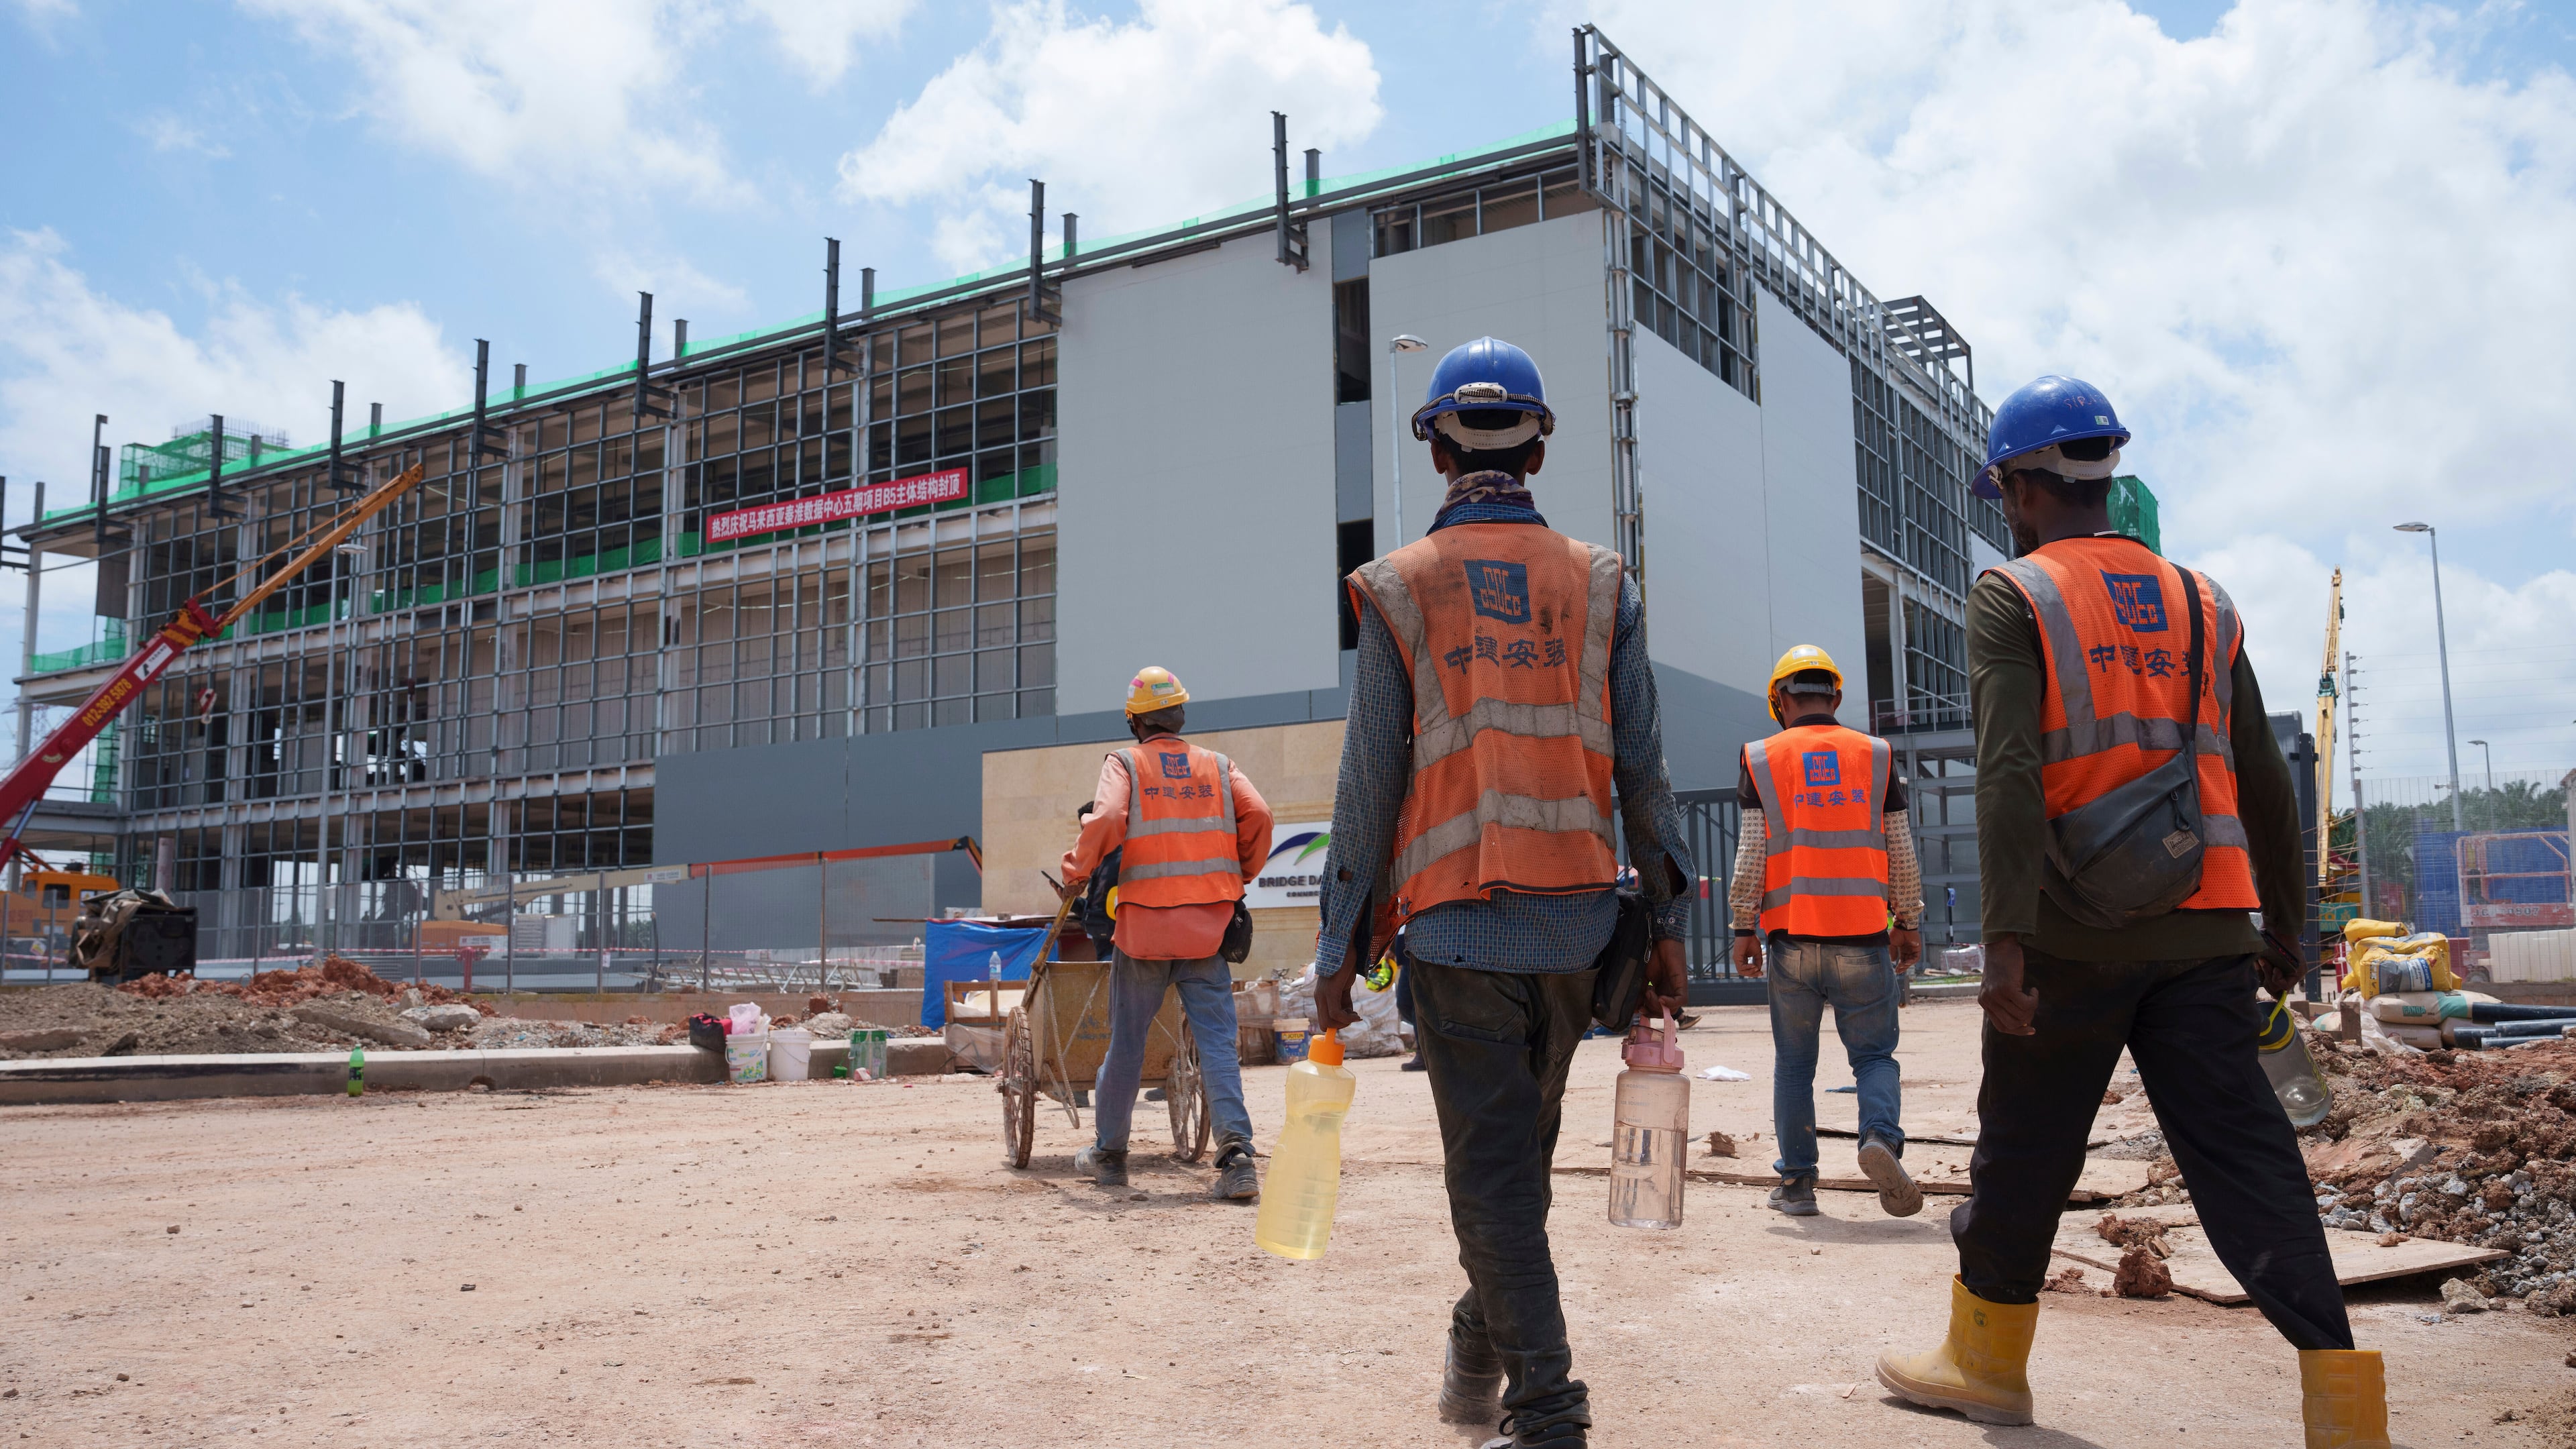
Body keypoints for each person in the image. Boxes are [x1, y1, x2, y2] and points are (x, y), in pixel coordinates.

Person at [1874, 376, 2389, 1446]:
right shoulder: (2209, 604)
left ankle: (1987, 1365)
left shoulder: (2013, 595)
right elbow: (2261, 777)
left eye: (2004, 493)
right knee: (2249, 1161)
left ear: (2019, 488)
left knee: (2023, 1155)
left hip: (2069, 935)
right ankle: (2345, 1407)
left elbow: (2010, 774)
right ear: (2105, 476)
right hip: (2207, 934)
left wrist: (2006, 944)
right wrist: (2286, 929)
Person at [1311, 337, 1696, 1449]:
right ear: (1540, 442)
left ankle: (1548, 1416)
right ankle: (1478, 1358)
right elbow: (1647, 770)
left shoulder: (1400, 588)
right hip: (1579, 930)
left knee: (1494, 1187)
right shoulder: (1601, 580)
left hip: (1457, 932)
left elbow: (1368, 778)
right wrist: (1664, 925)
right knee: (1512, 1176)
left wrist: (1338, 947)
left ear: (1435, 446)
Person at [1061, 666, 1274, 1202]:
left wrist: (1078, 870)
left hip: (1145, 930)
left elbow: (1107, 816)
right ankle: (1237, 1158)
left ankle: (1110, 1156)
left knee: (1127, 1045)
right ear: (1180, 715)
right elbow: (1261, 816)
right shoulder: (1218, 766)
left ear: (1134, 722)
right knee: (1217, 1045)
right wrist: (1237, 875)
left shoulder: (1125, 762)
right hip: (1208, 928)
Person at [1727, 644, 1925, 1220]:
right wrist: (1907, 920)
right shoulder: (1877, 755)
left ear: (1780, 700)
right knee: (1874, 1057)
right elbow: (1901, 851)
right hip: (1864, 937)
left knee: (1794, 1066)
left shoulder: (1762, 756)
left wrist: (1743, 926)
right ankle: (1879, 1139)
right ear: (1835, 696)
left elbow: (1751, 855)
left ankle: (1796, 1185)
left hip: (1791, 940)